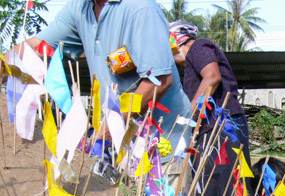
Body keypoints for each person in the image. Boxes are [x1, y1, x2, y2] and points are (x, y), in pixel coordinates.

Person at [24, 0, 191, 151]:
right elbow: (37, 46)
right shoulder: (80, 8)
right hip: (120, 141)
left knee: (154, 181)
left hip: (162, 141)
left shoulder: (140, 9)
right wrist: (6, 62)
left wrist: (113, 122)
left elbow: (159, 80)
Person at [169, 20, 252, 196]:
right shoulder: (188, 66)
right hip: (211, 131)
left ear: (177, 40)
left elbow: (213, 77)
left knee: (226, 187)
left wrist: (192, 113)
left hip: (223, 129)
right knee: (208, 187)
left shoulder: (198, 48)